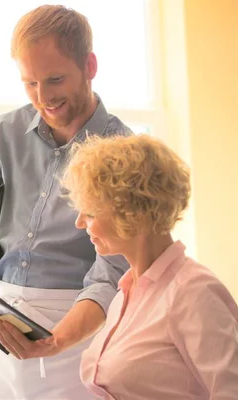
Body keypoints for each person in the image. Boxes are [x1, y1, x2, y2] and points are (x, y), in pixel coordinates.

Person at [0, 5, 132, 399]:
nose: (43, 97)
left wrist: (55, 342)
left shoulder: (122, 151)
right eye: (29, 83)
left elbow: (110, 277)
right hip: (0, 323)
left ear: (90, 65)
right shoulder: (4, 133)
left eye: (55, 79)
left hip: (77, 329)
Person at [61, 134, 238, 399]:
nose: (79, 223)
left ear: (132, 211)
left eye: (92, 212)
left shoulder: (194, 292)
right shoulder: (124, 295)